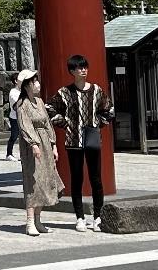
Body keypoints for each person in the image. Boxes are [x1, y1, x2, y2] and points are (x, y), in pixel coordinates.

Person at [48, 55, 114, 232]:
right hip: (73, 140)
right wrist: (65, 123)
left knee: (96, 178)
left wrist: (97, 124)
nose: (83, 70)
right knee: (77, 178)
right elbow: (50, 109)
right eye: (79, 68)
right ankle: (79, 217)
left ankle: (98, 217)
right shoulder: (64, 92)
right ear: (72, 71)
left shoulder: (97, 90)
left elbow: (110, 110)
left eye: (85, 67)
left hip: (92, 139)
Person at [15, 70, 62, 235]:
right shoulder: (22, 104)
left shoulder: (40, 101)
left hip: (45, 144)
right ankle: (29, 221)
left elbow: (48, 123)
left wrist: (53, 144)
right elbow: (25, 125)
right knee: (33, 181)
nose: (38, 84)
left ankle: (38, 219)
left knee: (44, 180)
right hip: (31, 146)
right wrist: (33, 144)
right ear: (27, 84)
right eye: (35, 82)